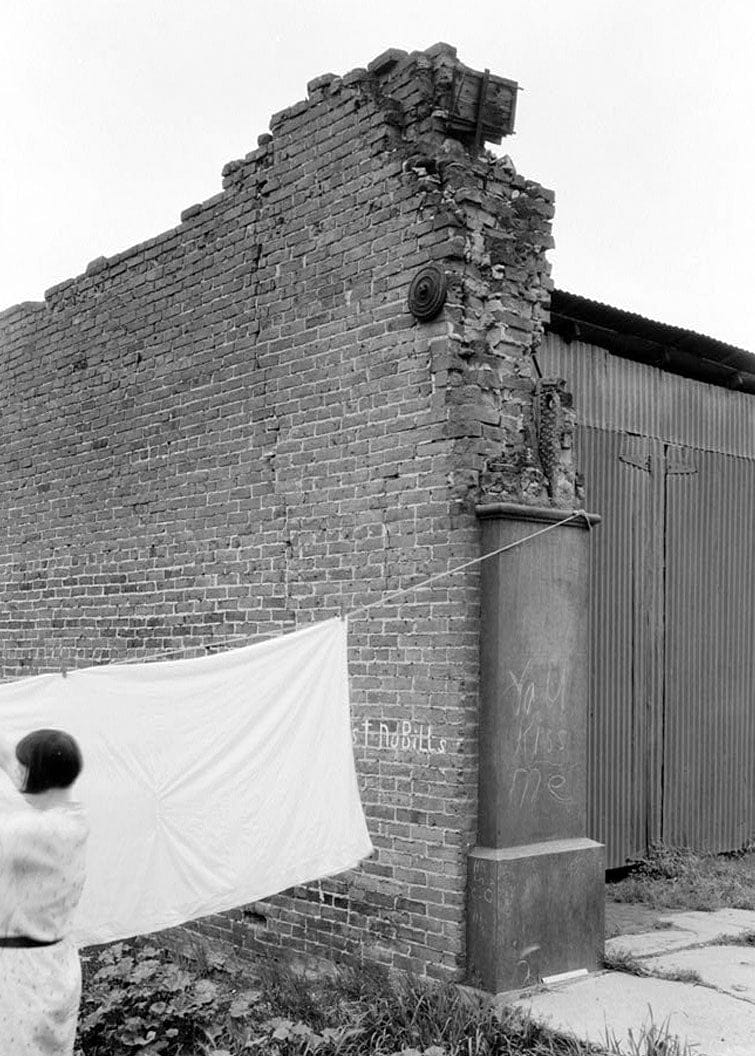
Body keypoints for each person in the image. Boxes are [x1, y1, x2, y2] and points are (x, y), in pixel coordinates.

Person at [0, 729, 89, 1056]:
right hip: (54, 967)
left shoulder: (30, 833)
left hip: (23, 979)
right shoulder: (72, 819)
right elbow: (13, 760)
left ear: (34, 775)